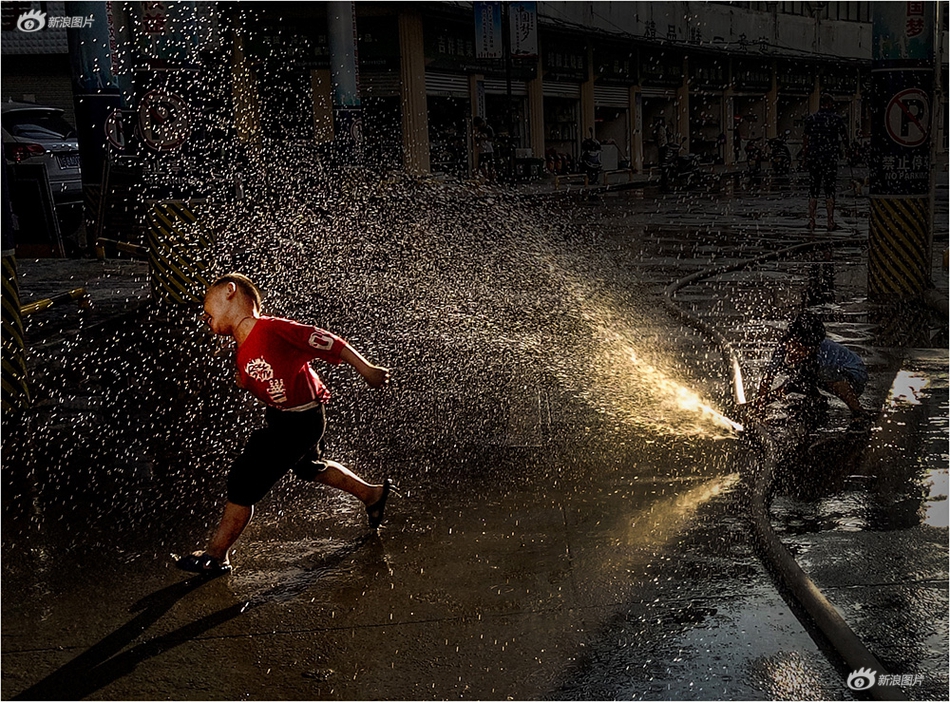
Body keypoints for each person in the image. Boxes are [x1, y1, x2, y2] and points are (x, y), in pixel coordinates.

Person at [177, 273, 393, 575]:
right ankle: (372, 494)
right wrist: (245, 380)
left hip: (300, 421)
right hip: (282, 417)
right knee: (309, 467)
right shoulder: (243, 344)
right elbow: (266, 374)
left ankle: (216, 555)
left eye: (206, 302)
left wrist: (366, 369)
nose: (203, 313)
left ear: (230, 292)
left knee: (245, 478)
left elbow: (326, 340)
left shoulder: (271, 328)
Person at [751, 312, 870, 428]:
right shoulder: (783, 347)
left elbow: (793, 383)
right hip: (827, 374)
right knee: (798, 379)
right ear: (789, 340)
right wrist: (758, 406)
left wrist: (760, 404)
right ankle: (817, 401)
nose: (799, 353)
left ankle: (858, 412)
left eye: (806, 350)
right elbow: (768, 378)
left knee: (814, 373)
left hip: (854, 377)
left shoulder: (820, 354)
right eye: (797, 347)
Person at [802, 93, 849, 231]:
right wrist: (848, 150)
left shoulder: (811, 119)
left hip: (814, 158)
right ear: (830, 103)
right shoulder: (836, 119)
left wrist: (805, 157)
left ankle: (811, 222)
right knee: (830, 190)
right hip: (830, 158)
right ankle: (830, 221)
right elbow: (844, 137)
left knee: (813, 190)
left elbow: (806, 139)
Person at [472, 116, 495, 181]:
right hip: (481, 150)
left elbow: (492, 138)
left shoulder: (488, 129)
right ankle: (486, 176)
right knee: (481, 166)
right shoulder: (479, 129)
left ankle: (491, 178)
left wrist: (484, 138)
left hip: (488, 149)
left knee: (490, 165)